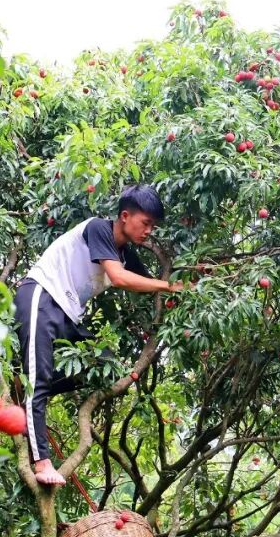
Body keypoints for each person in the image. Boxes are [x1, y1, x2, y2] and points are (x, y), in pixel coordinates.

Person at [14, 184, 183, 485]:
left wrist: (184, 284)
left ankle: (27, 396)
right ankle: (41, 463)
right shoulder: (98, 229)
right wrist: (167, 287)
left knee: (103, 366)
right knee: (37, 379)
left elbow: (146, 282)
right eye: (145, 223)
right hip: (43, 295)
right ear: (125, 216)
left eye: (152, 226)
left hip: (68, 313)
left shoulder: (124, 252)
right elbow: (119, 278)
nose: (149, 231)